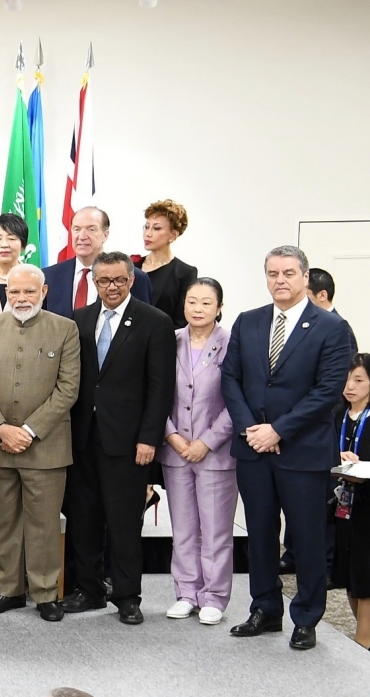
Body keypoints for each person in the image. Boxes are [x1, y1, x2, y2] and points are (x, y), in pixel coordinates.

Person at [225, 245, 357, 650]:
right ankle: (265, 609)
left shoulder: (331, 327)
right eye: (272, 273)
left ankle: (306, 618)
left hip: (302, 451)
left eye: (287, 273)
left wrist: (278, 430)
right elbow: (230, 379)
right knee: (260, 534)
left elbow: (328, 391)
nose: (279, 280)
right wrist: (252, 429)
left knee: (306, 537)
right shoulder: (248, 322)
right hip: (253, 450)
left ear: (304, 277)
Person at [61, 251, 176, 625]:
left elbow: (161, 388)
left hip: (129, 442)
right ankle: (89, 589)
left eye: (119, 280)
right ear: (94, 282)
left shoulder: (154, 321)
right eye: (103, 281)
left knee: (125, 522)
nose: (111, 287)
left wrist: (149, 438)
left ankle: (127, 596)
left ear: (131, 280)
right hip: (81, 438)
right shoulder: (79, 319)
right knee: (84, 518)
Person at [0, 264, 81, 622]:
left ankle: (45, 593)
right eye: (14, 292)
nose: (21, 298)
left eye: (29, 292)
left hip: (45, 446)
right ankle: (9, 589)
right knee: (4, 521)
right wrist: (1, 427)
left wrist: (30, 430)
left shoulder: (65, 330)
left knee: (44, 523)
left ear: (44, 292)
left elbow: (68, 390)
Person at [161, 278, 236, 626]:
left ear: (219, 307)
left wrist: (206, 441)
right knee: (184, 527)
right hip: (175, 450)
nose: (198, 309)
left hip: (216, 453)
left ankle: (214, 596)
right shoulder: (169, 341)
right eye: (192, 302)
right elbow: (155, 393)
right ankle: (186, 593)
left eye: (207, 303)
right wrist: (173, 436)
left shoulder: (232, 344)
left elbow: (239, 401)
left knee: (216, 530)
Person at [43, 207, 151, 316]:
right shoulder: (49, 276)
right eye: (77, 229)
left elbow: (143, 324)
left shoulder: (134, 277)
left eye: (91, 229)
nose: (82, 236)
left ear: (105, 235)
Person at [331, 355, 370, 648]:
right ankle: (362, 632)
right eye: (346, 380)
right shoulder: (336, 414)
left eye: (358, 380)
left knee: (365, 571)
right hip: (343, 502)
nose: (350, 387)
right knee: (346, 570)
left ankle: (363, 640)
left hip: (368, 503)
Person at [137, 200, 198, 326]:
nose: (148, 234)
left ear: (173, 235)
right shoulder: (132, 266)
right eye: (147, 226)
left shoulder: (184, 273)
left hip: (163, 341)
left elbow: (181, 321)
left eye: (157, 228)